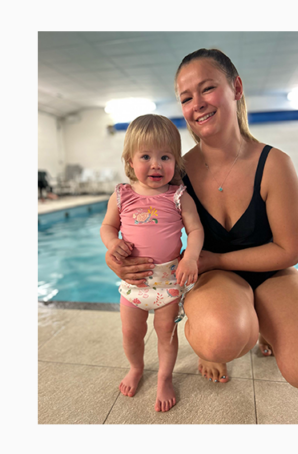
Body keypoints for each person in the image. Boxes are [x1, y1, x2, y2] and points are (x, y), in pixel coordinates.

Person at [105, 49, 298, 402]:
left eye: (207, 89)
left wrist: (214, 259)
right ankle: (221, 334)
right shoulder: (175, 173)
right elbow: (136, 225)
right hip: (213, 281)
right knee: (219, 338)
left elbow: (290, 251)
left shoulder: (274, 164)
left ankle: (263, 325)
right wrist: (117, 259)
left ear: (236, 87)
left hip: (270, 272)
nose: (197, 103)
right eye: (185, 98)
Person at [100, 114, 204, 412]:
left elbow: (195, 230)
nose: (156, 164)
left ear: (176, 162)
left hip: (168, 283)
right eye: (146, 156)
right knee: (131, 334)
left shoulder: (178, 196)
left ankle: (164, 377)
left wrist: (191, 258)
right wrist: (112, 243)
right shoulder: (121, 196)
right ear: (130, 161)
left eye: (165, 156)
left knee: (166, 335)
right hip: (134, 285)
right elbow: (107, 227)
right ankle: (135, 367)